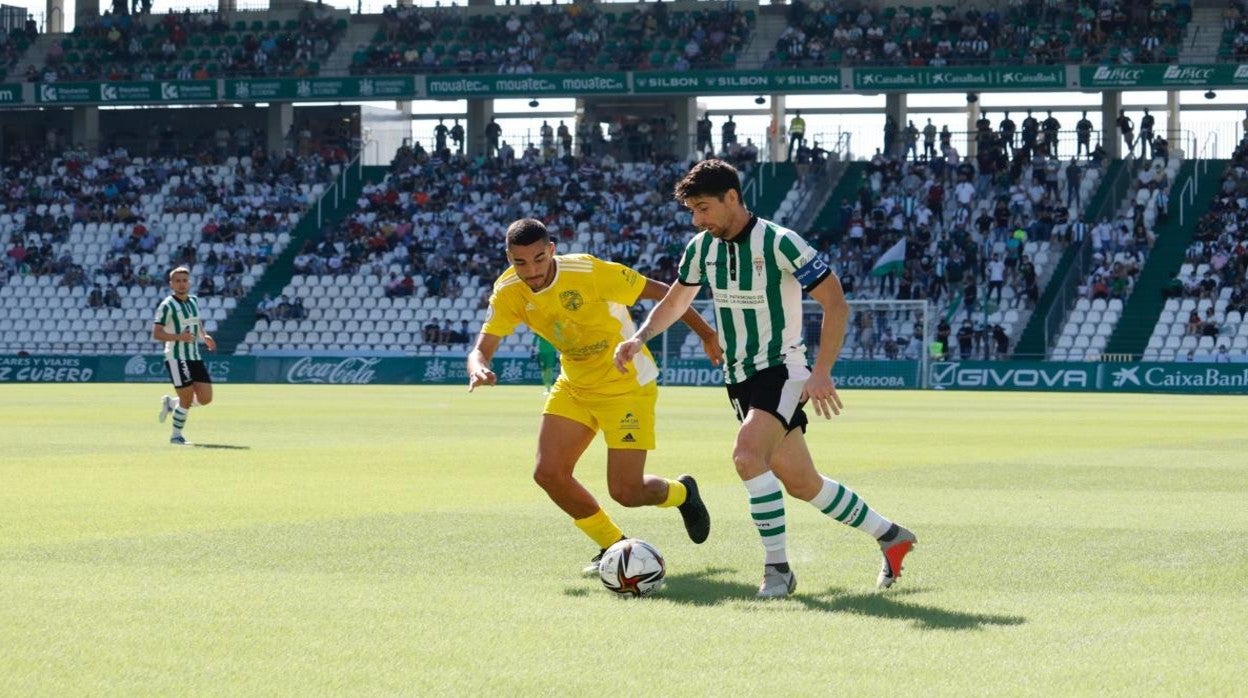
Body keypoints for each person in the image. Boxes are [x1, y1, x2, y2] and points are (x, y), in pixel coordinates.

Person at [613, 159, 917, 598]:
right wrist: (639, 338)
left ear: (731, 198)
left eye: (703, 208)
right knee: (802, 483)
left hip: (782, 369)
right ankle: (891, 536)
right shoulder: (701, 248)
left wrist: (822, 372)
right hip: (738, 377)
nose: (698, 220)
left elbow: (836, 303)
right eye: (692, 212)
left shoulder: (780, 242)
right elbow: (677, 301)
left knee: (746, 455)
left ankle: (778, 571)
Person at [467, 219, 722, 576]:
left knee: (626, 492)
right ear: (509, 258)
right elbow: (482, 348)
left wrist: (707, 333)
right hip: (574, 385)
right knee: (549, 473)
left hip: (626, 385)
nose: (531, 271)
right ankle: (613, 546)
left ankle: (683, 493)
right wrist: (478, 367)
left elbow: (666, 291)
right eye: (520, 262)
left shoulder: (588, 271)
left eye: (539, 259)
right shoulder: (508, 290)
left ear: (552, 250)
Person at [153, 266, 216, 446]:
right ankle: (176, 436)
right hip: (176, 356)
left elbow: (196, 321)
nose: (181, 284)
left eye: (184, 280)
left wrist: (205, 336)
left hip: (194, 356)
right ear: (171, 284)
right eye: (177, 281)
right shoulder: (167, 305)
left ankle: (171, 404)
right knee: (187, 398)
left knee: (206, 398)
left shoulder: (193, 301)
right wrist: (179, 337)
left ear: (189, 282)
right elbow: (157, 333)